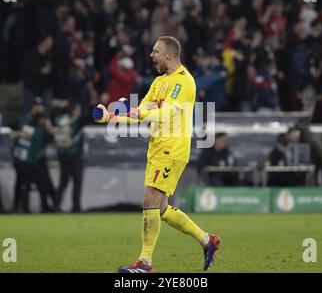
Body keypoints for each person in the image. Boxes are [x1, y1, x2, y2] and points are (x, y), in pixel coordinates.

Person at [92, 36, 221, 273]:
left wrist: (129, 111)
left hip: (173, 148)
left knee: (149, 200)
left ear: (169, 55)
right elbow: (142, 110)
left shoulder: (185, 82)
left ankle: (145, 262)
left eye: (156, 51)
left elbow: (164, 114)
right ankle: (207, 240)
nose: (151, 55)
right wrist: (110, 117)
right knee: (160, 208)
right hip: (157, 147)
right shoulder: (159, 82)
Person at [10, 98, 54, 213]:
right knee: (29, 182)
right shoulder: (35, 127)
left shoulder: (31, 124)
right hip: (27, 159)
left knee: (30, 183)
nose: (40, 108)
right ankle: (23, 208)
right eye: (38, 105)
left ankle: (28, 208)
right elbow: (12, 133)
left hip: (26, 158)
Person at [48, 100, 87, 212]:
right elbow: (90, 118)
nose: (79, 112)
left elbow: (52, 118)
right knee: (77, 181)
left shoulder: (60, 118)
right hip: (74, 154)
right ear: (74, 110)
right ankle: (76, 206)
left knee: (63, 181)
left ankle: (56, 205)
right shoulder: (76, 120)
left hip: (62, 153)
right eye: (78, 109)